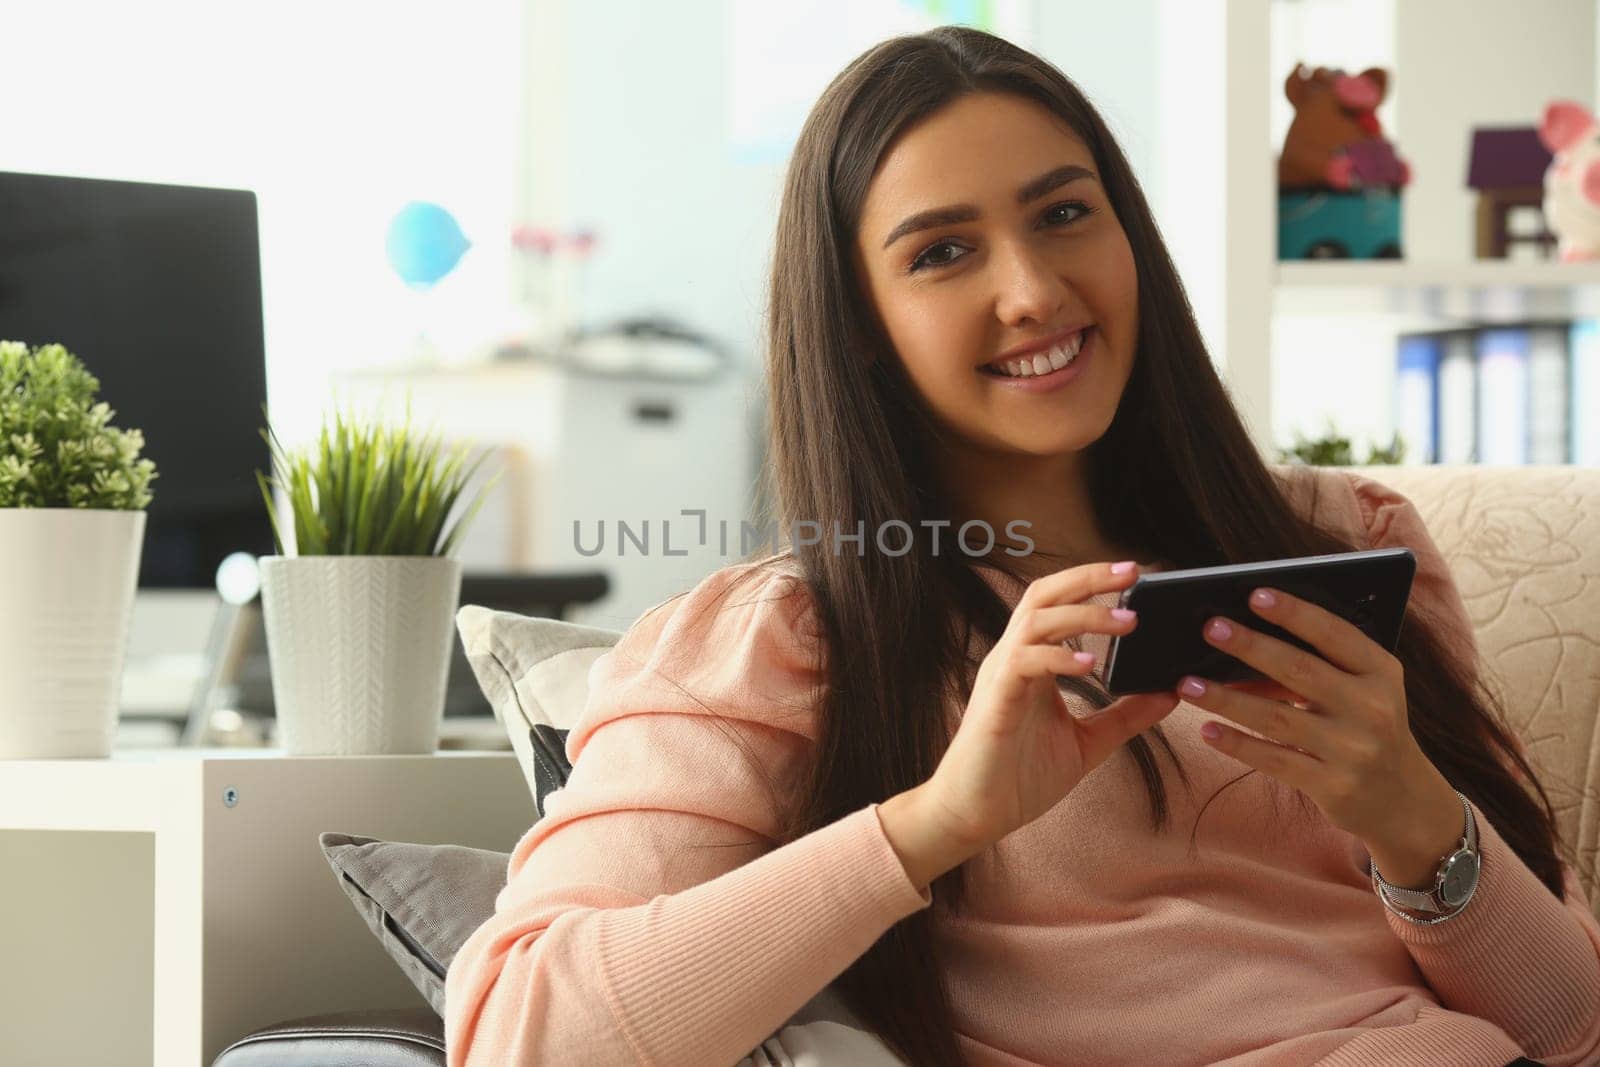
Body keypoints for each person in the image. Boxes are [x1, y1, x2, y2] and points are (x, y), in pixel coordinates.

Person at [444, 25, 1600, 1067]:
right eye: (942, 252)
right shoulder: (789, 641)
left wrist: (1413, 818)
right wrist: (940, 820)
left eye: (1062, 213)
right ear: (858, 326)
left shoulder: (1344, 543)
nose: (1034, 290)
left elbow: (1569, 1025)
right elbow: (518, 1037)